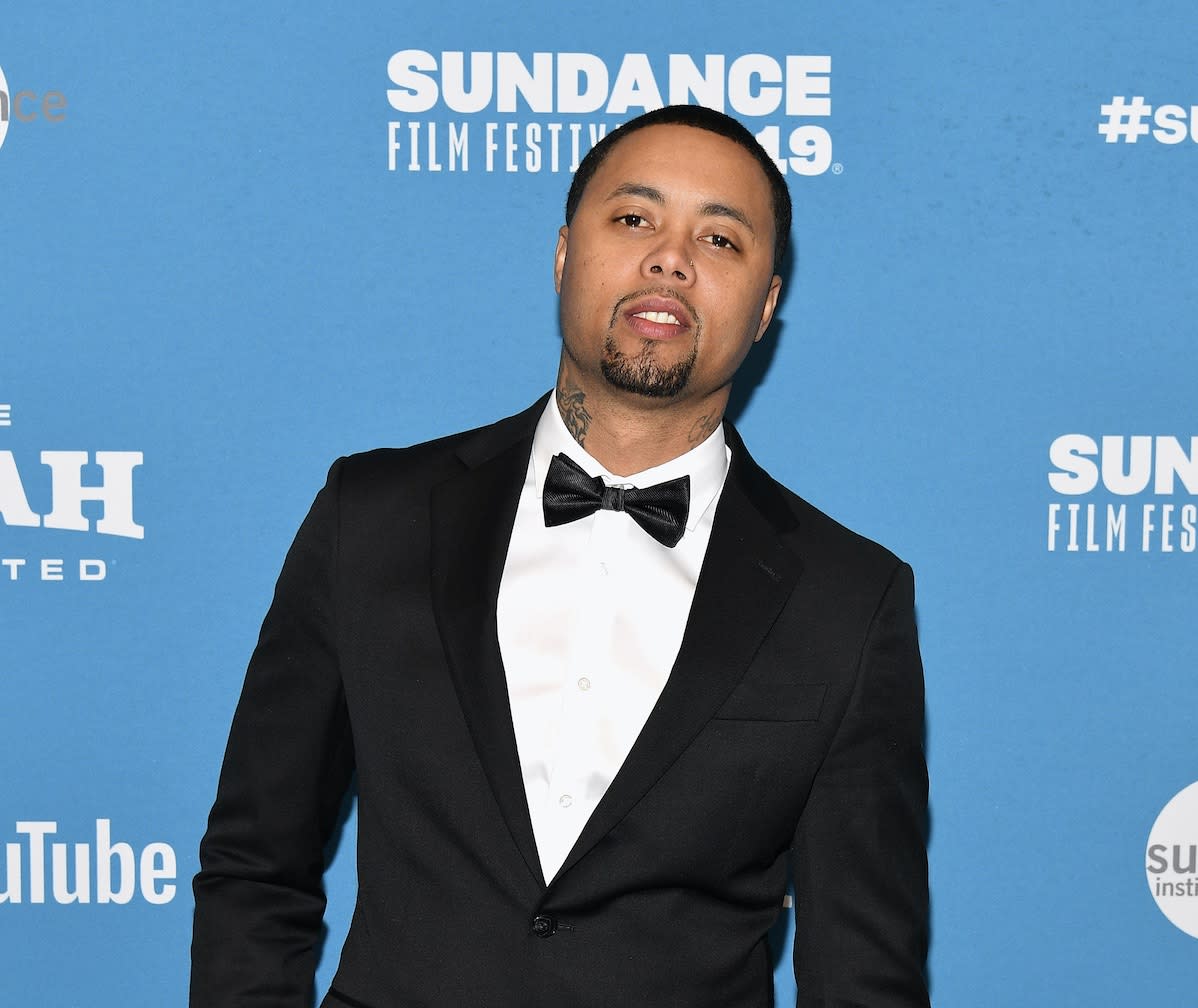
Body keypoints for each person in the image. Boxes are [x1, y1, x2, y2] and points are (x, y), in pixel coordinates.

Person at [191, 104, 929, 1008]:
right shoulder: (374, 518)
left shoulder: (848, 600)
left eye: (722, 240)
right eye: (634, 219)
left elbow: (865, 971)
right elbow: (257, 862)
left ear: (767, 305)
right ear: (563, 255)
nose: (671, 258)